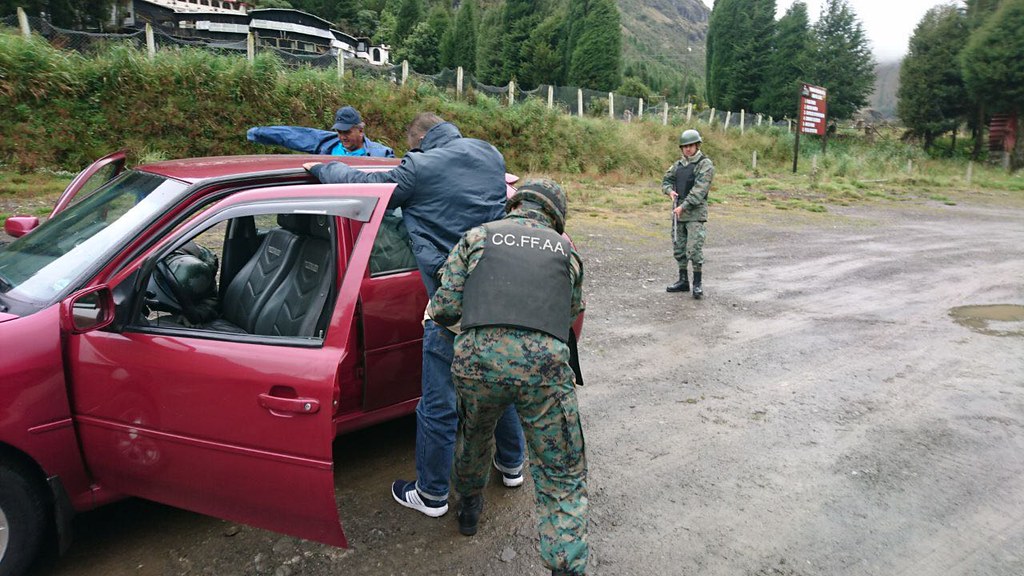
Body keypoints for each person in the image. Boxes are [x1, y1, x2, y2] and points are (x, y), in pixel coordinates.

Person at [302, 112, 526, 517]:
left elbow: (365, 186)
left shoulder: (419, 167)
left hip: (451, 306)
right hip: (500, 295)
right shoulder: (489, 153)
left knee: (439, 403)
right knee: (501, 383)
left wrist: (322, 167)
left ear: (419, 142)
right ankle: (512, 465)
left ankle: (432, 494)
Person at [427, 179, 588, 576]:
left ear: (514, 205)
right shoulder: (566, 250)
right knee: (559, 471)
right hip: (545, 370)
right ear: (556, 214)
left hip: (479, 361)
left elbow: (444, 308)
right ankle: (564, 565)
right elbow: (570, 312)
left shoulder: (478, 236)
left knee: (474, 436)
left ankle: (468, 509)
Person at [662, 128, 714, 298]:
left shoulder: (704, 164)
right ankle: (683, 280)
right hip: (679, 213)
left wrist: (683, 206)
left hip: (695, 213)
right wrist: (670, 191)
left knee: (694, 248)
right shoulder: (678, 165)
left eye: (691, 145)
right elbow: (666, 180)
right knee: (679, 248)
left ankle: (697, 283)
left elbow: (699, 191)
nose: (688, 149)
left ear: (697, 145)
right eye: (685, 146)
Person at [247, 105, 395, 157]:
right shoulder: (327, 144)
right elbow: (293, 136)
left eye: (347, 132)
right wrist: (258, 133)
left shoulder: (381, 154)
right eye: (339, 132)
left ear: (360, 130)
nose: (342, 137)